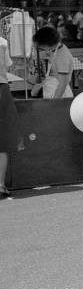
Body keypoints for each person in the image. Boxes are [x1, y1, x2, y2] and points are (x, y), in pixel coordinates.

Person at [0, 36, 19, 200]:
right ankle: (0, 186)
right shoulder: (2, 42)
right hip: (1, 87)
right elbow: (6, 66)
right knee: (2, 141)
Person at [32, 27, 74, 99]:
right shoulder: (56, 49)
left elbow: (62, 84)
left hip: (60, 97)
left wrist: (54, 103)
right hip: (52, 92)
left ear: (47, 45)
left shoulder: (62, 57)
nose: (38, 48)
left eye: (40, 47)